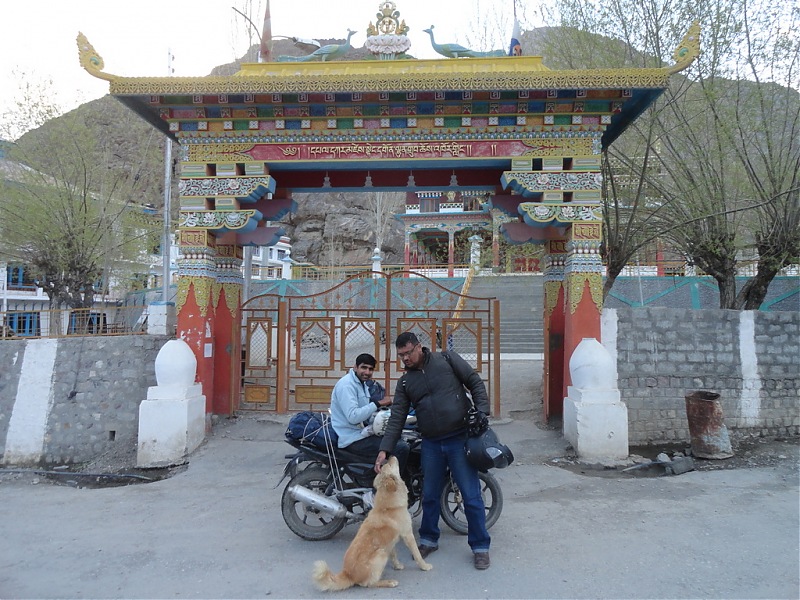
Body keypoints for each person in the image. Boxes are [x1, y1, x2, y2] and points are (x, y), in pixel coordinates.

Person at [375, 332, 492, 570]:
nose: (405, 358)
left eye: (409, 352)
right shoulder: (406, 382)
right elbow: (397, 417)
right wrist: (384, 450)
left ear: (420, 347)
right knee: (429, 496)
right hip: (431, 443)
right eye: (401, 355)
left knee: (470, 495)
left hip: (459, 439)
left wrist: (482, 410)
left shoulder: (447, 359)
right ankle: (428, 540)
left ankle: (480, 547)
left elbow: (474, 381)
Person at [329, 353, 409, 480]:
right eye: (363, 368)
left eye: (370, 369)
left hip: (361, 432)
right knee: (401, 447)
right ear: (355, 367)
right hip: (352, 438)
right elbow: (353, 416)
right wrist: (377, 403)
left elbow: (365, 413)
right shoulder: (347, 385)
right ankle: (379, 492)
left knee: (401, 436)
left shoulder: (362, 383)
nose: (367, 372)